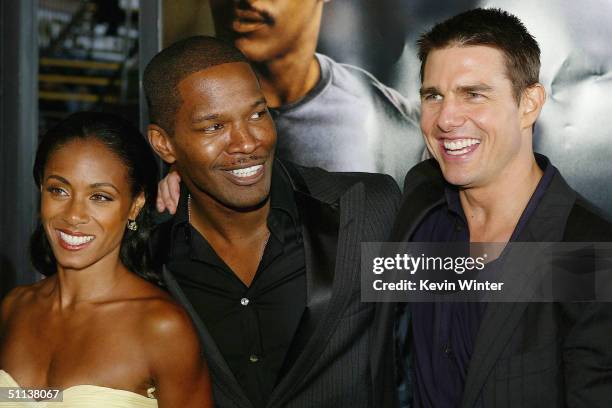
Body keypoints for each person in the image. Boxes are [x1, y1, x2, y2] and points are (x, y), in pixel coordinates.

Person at [143, 36, 401, 407]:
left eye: (256, 114)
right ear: (165, 145)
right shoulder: (146, 252)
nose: (247, 142)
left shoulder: (366, 209)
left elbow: (488, 285)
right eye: (214, 127)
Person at [383, 8, 612, 407]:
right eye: (433, 96)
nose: (446, 118)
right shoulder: (420, 202)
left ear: (529, 103)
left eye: (473, 94)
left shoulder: (589, 253)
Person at [0, 112, 213, 407]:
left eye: (100, 196)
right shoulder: (15, 308)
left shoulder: (161, 327)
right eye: (59, 190)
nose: (73, 215)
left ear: (135, 205)